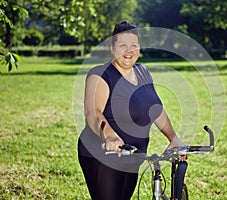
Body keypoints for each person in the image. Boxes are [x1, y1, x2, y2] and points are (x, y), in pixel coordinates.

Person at [78, 21, 186, 200]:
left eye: (133, 45)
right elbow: (93, 112)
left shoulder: (143, 71)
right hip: (103, 155)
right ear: (112, 47)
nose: (129, 51)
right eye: (122, 45)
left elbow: (155, 109)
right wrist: (110, 136)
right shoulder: (100, 75)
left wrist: (173, 138)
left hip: (133, 154)